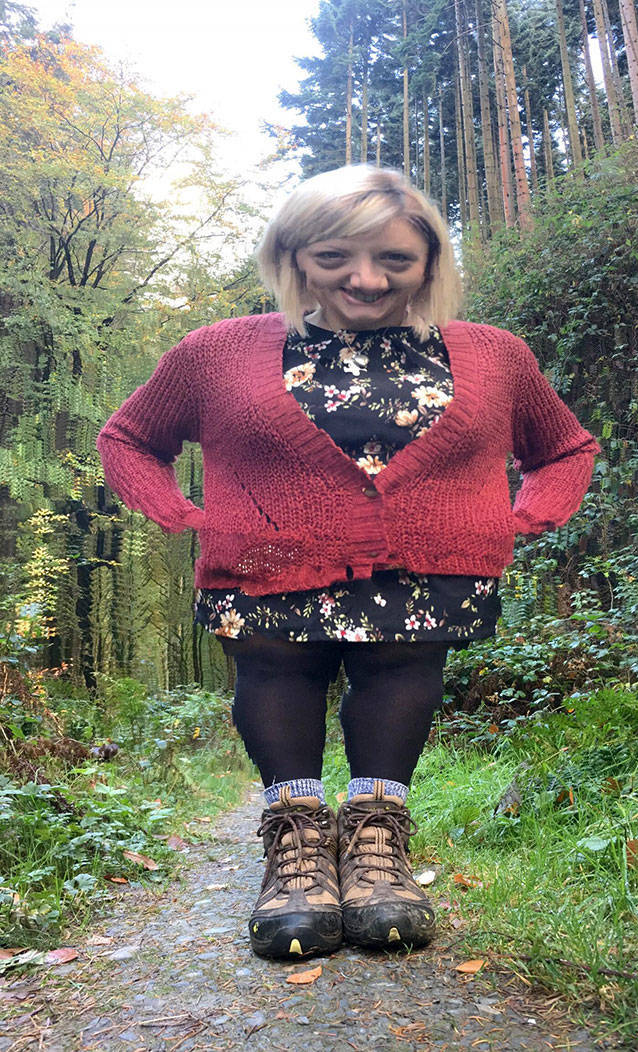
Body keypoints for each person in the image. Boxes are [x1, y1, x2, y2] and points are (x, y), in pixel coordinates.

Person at [97, 165, 599, 961]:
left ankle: (376, 846)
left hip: (430, 571)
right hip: (265, 565)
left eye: (394, 259)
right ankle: (296, 846)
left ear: (430, 262)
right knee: (276, 677)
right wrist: (180, 514)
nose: (365, 279)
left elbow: (565, 447)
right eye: (335, 257)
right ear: (294, 256)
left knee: (401, 678)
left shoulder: (495, 355)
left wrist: (527, 515)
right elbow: (128, 438)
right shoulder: (217, 352)